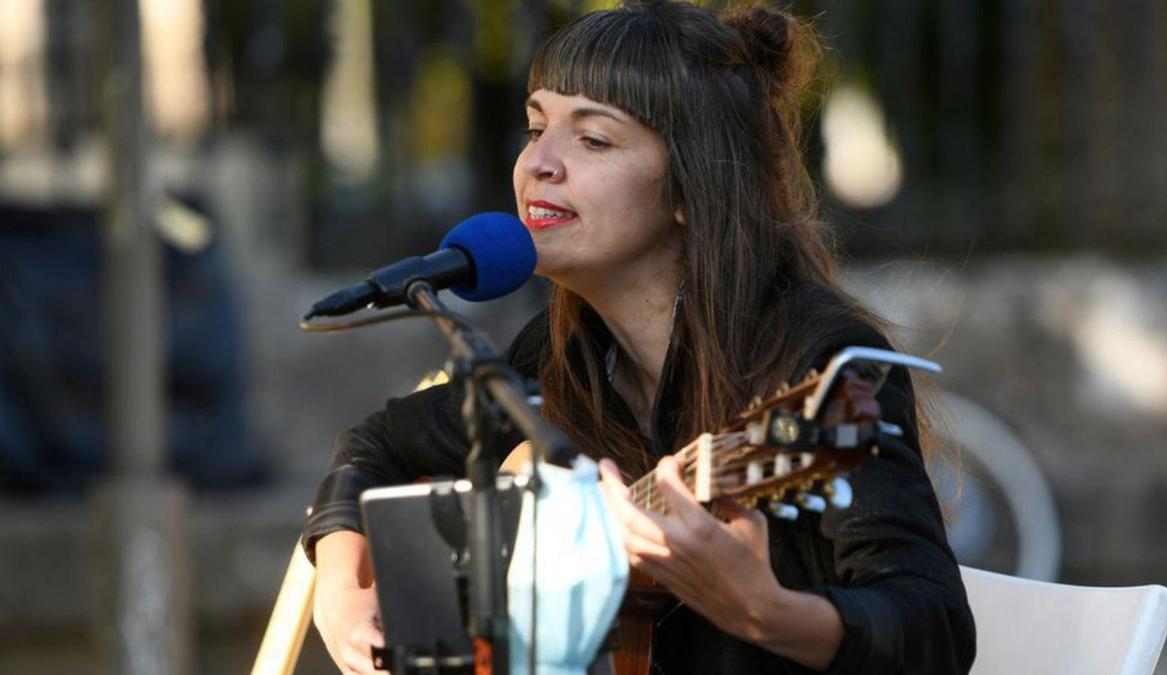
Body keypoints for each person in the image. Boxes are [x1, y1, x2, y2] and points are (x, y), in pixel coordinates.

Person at [301, 1, 976, 673]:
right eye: (536, 127)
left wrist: (764, 610)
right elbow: (373, 449)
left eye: (593, 139)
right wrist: (339, 593)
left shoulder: (819, 366)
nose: (540, 162)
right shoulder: (559, 358)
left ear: (689, 187)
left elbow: (935, 628)